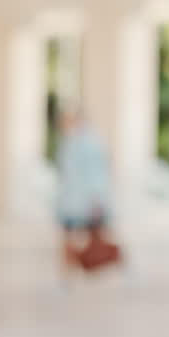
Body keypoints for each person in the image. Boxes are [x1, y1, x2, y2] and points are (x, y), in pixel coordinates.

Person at [55, 107, 118, 285]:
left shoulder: (88, 143)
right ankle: (68, 273)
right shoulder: (73, 141)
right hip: (74, 200)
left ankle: (83, 271)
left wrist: (97, 198)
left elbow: (96, 174)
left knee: (89, 238)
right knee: (69, 237)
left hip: (85, 201)